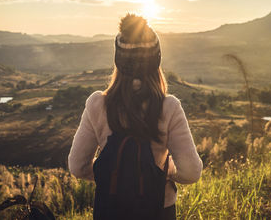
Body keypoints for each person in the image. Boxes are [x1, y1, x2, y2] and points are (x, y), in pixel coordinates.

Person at [68, 13, 203, 219]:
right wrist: (163, 172)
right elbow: (192, 172)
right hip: (159, 208)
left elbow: (77, 167)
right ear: (156, 61)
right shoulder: (169, 107)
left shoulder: (97, 104)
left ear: (119, 62)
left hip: (110, 208)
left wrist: (116, 175)